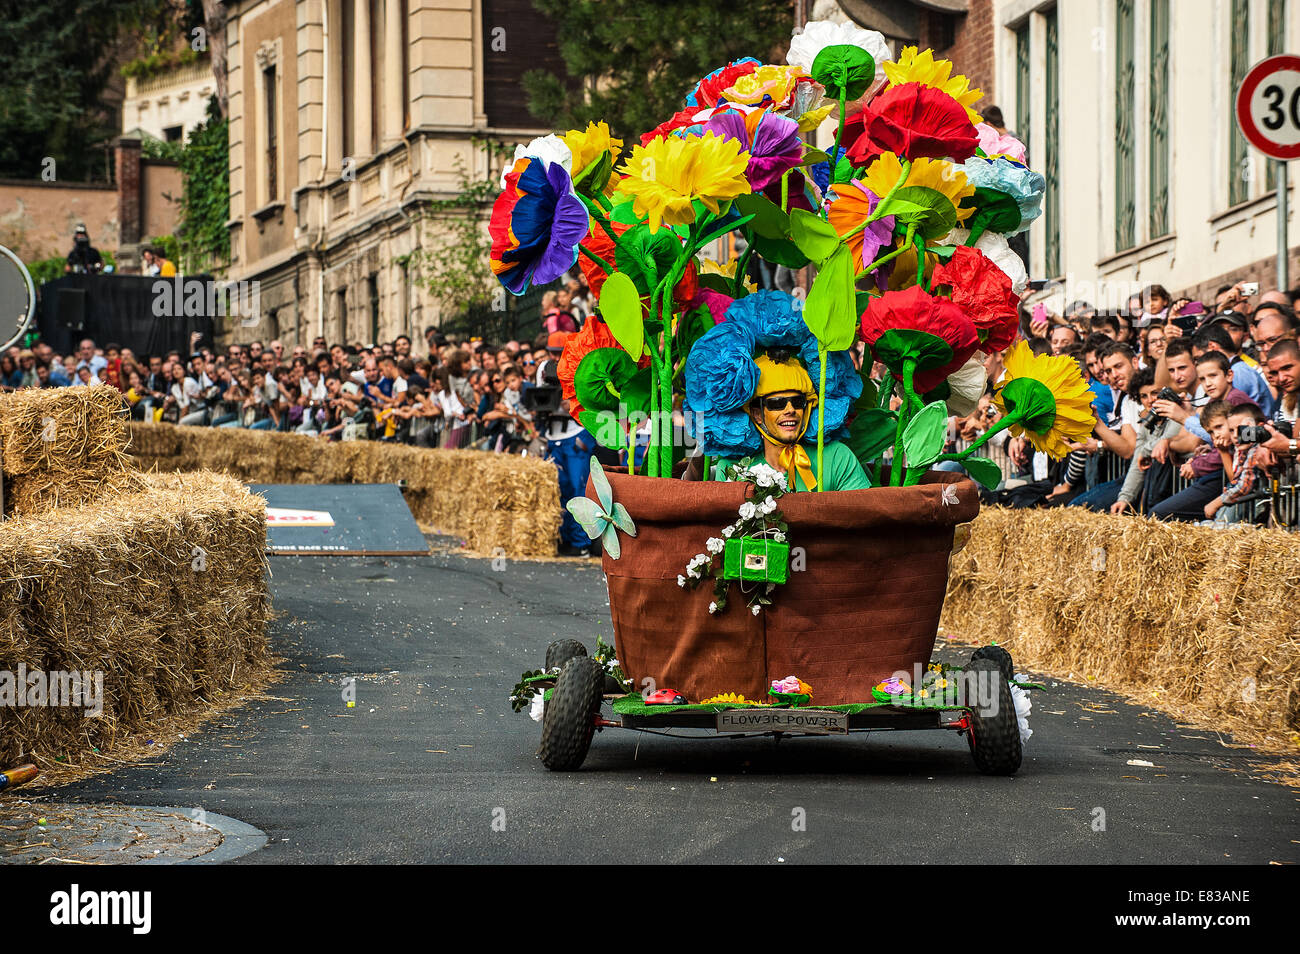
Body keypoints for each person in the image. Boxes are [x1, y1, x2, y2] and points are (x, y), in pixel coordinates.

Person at [710, 352, 871, 491]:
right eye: (777, 403)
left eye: (797, 402)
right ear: (757, 414)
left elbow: (864, 518)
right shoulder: (731, 468)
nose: (790, 410)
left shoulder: (837, 457)